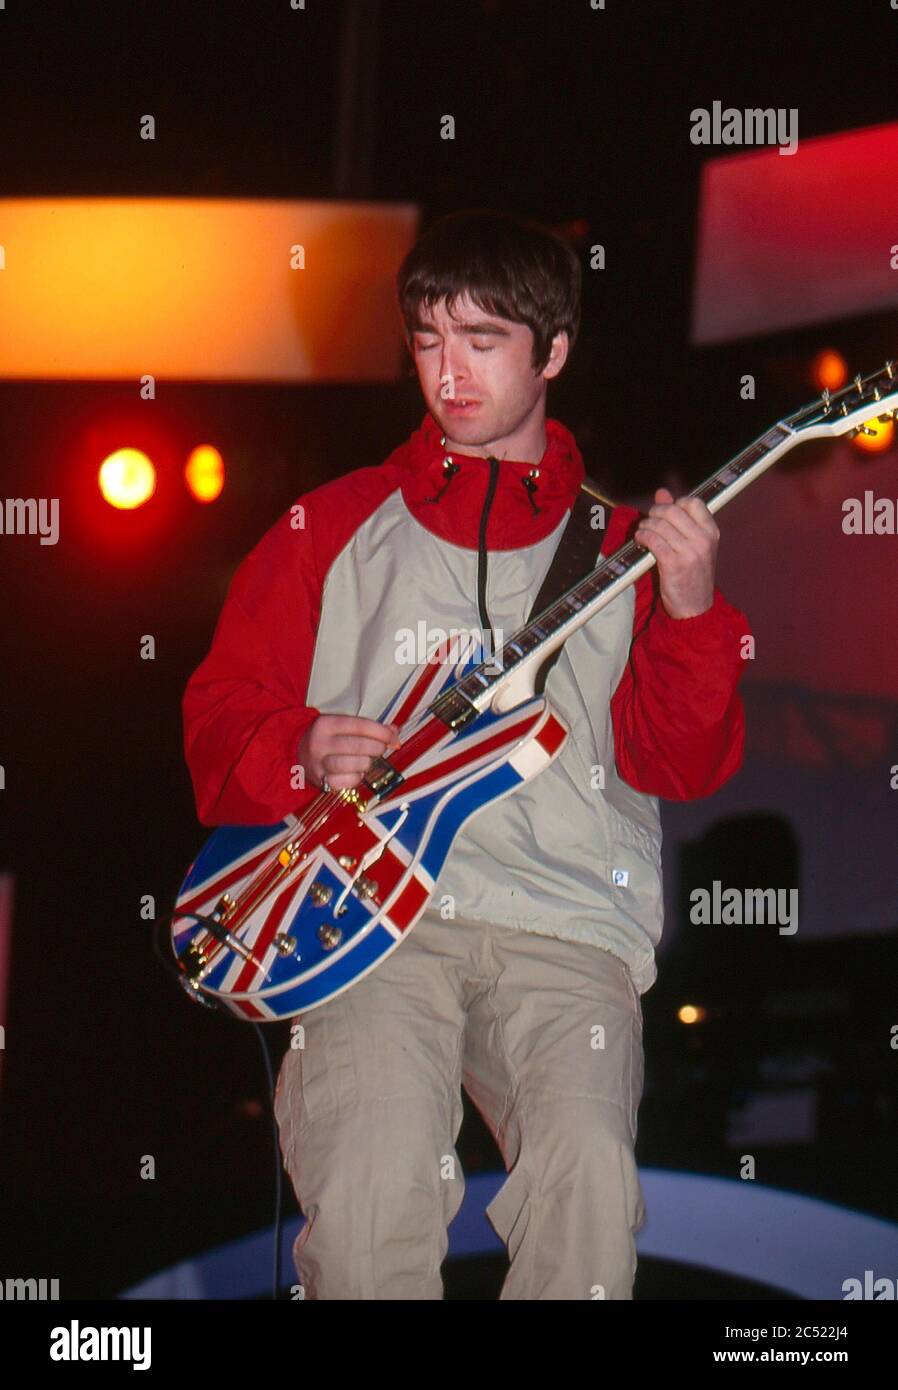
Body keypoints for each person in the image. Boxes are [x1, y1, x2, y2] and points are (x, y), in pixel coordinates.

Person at [182, 208, 750, 1300]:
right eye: (429, 340)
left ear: (555, 352)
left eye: (483, 341)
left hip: (567, 918)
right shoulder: (332, 524)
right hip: (366, 920)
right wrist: (296, 744)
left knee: (585, 1177)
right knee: (370, 1185)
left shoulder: (624, 550)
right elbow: (215, 719)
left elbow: (682, 764)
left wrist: (689, 611)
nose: (449, 373)